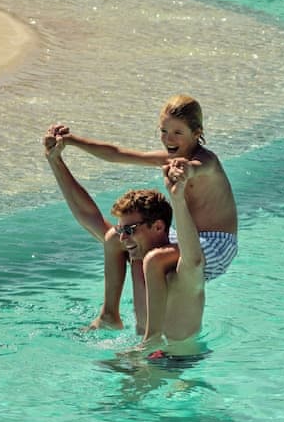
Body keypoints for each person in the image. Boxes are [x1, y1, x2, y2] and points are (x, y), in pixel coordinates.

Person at [47, 94, 236, 341]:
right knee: (114, 237)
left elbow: (197, 168)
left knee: (154, 260)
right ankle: (109, 314)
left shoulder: (207, 161)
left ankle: (151, 337)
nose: (168, 139)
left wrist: (185, 171)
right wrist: (71, 141)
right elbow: (117, 153)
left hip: (216, 244)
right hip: (184, 236)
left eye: (177, 132)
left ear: (197, 132)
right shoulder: (168, 159)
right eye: (164, 131)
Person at [43, 130, 206, 353]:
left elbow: (195, 260)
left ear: (158, 227)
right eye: (122, 230)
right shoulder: (135, 254)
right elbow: (89, 216)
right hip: (143, 353)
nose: (123, 237)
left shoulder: (178, 272)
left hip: (178, 362)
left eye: (129, 230)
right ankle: (108, 316)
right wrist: (55, 161)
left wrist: (177, 198)